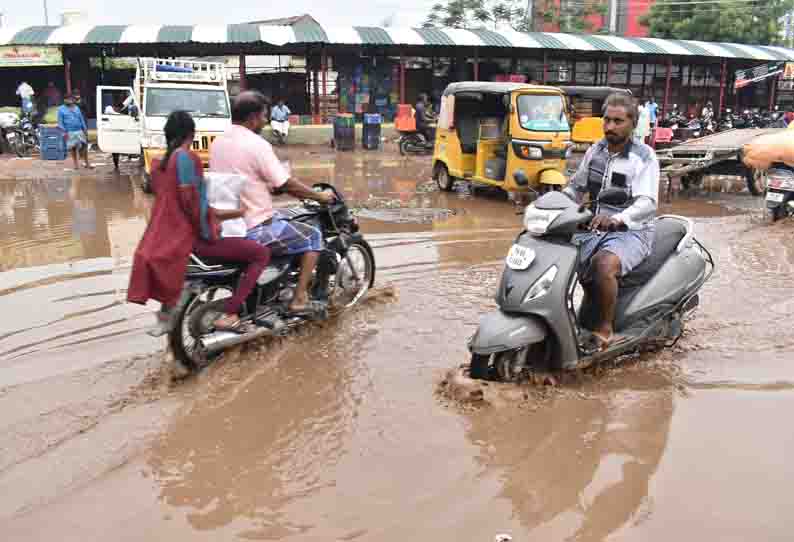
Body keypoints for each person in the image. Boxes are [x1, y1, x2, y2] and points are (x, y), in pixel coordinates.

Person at [127, 110, 272, 336]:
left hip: (166, 240)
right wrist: (211, 233)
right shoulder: (187, 158)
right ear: (191, 134)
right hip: (193, 240)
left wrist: (235, 214)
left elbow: (181, 207)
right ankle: (231, 314)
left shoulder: (158, 166)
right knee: (260, 254)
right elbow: (193, 206)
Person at [210, 91, 336, 318]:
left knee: (287, 217)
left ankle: (278, 283)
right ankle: (299, 300)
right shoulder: (256, 144)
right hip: (253, 227)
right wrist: (321, 197)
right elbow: (286, 182)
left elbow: (241, 177)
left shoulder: (219, 141)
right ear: (253, 117)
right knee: (312, 236)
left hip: (227, 225)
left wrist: (268, 189)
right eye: (264, 116)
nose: (266, 121)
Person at [564, 93, 660, 351]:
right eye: (606, 120)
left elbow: (647, 204)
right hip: (594, 225)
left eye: (618, 121)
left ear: (632, 123)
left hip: (632, 230)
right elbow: (576, 186)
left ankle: (605, 329)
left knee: (603, 265)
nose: (610, 127)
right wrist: (555, 203)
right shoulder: (595, 150)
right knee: (562, 256)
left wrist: (618, 218)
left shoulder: (645, 157)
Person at [57, 95, 92, 170]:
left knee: (84, 146)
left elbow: (81, 119)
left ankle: (87, 163)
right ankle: (75, 164)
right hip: (69, 131)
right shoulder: (61, 109)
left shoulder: (76, 108)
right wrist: (64, 133)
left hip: (79, 130)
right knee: (73, 148)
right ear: (64, 100)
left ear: (73, 100)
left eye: (70, 99)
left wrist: (85, 129)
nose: (68, 101)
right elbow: (60, 122)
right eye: (66, 99)